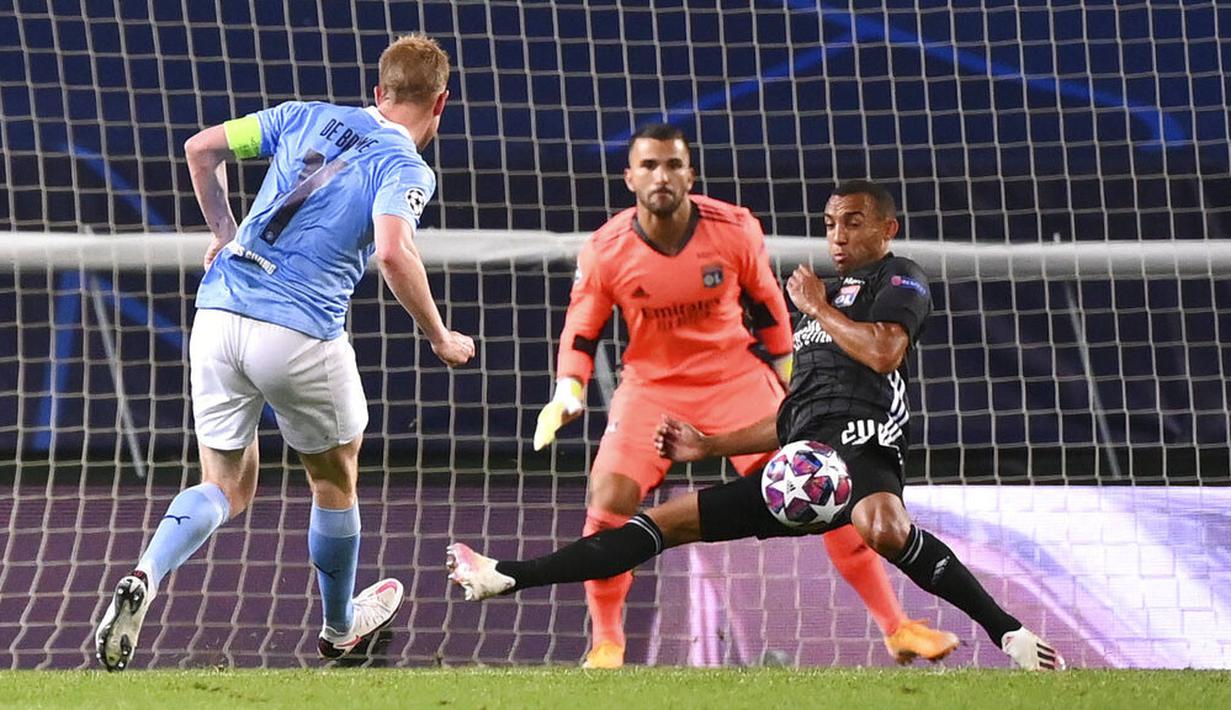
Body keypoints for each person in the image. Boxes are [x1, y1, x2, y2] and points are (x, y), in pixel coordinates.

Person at [449, 179, 1065, 671]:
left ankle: (1007, 633)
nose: (838, 234)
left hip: (863, 451)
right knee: (655, 524)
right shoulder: (819, 312)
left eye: (853, 222)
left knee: (881, 526)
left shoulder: (899, 277)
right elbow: (792, 418)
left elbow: (884, 352)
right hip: (798, 469)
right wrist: (708, 445)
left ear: (887, 228)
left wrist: (815, 305)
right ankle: (506, 576)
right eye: (830, 223)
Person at [94, 34, 475, 672]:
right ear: (442, 102)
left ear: (377, 92)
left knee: (223, 484)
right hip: (297, 330)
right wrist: (440, 335)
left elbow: (200, 148)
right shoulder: (406, 166)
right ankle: (339, 628)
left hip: (219, 312)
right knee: (333, 477)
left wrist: (224, 232)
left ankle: (146, 573)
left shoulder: (303, 115)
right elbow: (392, 251)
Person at [531, 127, 956, 669]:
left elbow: (770, 311)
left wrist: (794, 381)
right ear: (630, 177)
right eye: (649, 166)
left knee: (826, 481)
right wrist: (567, 389)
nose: (662, 176)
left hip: (735, 378)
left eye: (673, 165)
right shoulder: (606, 248)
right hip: (651, 387)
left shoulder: (733, 228)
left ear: (690, 174)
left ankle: (897, 628)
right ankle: (607, 642)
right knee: (608, 498)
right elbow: (582, 328)